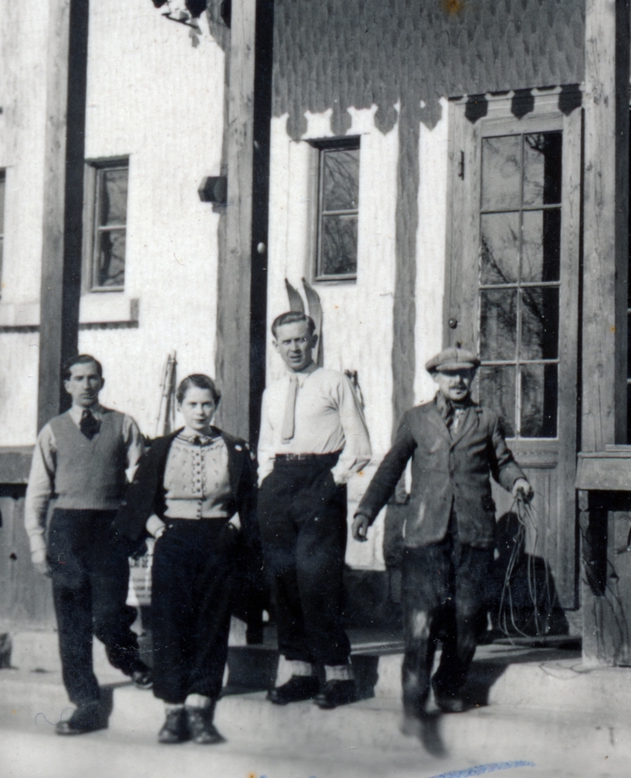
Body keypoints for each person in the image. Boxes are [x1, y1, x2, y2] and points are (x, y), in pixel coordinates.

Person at [352, 347, 533, 737]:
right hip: (425, 535)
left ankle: (448, 685)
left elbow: (502, 462)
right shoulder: (416, 419)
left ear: (473, 377)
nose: (458, 381)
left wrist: (517, 480)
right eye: (449, 374)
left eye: (465, 374)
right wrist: (366, 512)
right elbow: (390, 468)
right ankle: (414, 703)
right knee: (419, 622)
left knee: (468, 618)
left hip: (473, 534)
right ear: (436, 377)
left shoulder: (487, 420)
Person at [113, 373, 257, 746]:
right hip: (174, 542)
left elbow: (250, 502)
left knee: (212, 623)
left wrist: (233, 529)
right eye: (192, 404)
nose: (200, 411)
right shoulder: (160, 449)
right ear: (180, 407)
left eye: (206, 404)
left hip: (217, 541)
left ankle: (200, 707)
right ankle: (173, 710)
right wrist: (159, 530)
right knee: (170, 624)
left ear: (215, 406)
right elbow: (137, 501)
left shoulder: (234, 448)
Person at [24, 354, 152, 736]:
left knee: (109, 614)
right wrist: (35, 542)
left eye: (92, 378)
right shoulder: (52, 431)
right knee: (73, 623)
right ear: (67, 385)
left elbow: (142, 481)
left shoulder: (123, 424)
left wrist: (138, 527)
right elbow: (38, 491)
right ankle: (85, 702)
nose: (86, 385)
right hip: (67, 531)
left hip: (109, 529)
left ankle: (128, 659)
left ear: (102, 381)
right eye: (78, 379)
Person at [257, 310, 372, 709]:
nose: (293, 347)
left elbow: (359, 446)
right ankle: (301, 671)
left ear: (314, 340)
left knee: (316, 578)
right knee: (283, 579)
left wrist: (330, 483)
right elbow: (265, 446)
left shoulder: (334, 382)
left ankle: (340, 674)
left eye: (300, 339)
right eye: (285, 341)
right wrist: (266, 484)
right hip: (279, 485)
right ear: (276, 346)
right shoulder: (272, 392)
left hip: (320, 480)